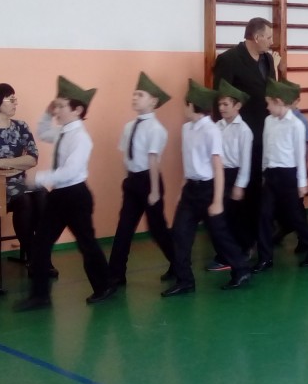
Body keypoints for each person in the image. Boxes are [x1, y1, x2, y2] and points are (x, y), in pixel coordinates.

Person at [14, 77, 115, 311]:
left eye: (61, 106)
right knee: (41, 243)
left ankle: (104, 285)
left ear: (77, 110)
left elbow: (70, 171)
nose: (57, 110)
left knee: (86, 243)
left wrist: (38, 179)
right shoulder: (62, 132)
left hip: (76, 196)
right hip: (59, 196)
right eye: (56, 106)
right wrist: (47, 112)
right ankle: (40, 295)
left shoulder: (81, 138)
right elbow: (43, 132)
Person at [163, 80, 251, 296]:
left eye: (185, 104)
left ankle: (241, 269)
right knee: (180, 234)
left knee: (219, 234)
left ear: (193, 105)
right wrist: (182, 189)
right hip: (190, 190)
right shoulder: (186, 129)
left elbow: (217, 167)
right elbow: (189, 163)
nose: (183, 109)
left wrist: (217, 201)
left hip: (208, 190)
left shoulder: (211, 130)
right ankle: (185, 280)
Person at [212, 17, 277, 259]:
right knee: (239, 192)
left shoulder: (267, 60)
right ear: (256, 38)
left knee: (257, 190)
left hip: (263, 137)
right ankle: (241, 242)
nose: (271, 42)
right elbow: (219, 99)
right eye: (268, 37)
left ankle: (258, 238)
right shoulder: (229, 60)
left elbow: (271, 92)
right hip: (238, 138)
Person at [0, 84, 48, 275]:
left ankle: (42, 255)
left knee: (43, 195)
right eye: (10, 99)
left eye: (15, 99)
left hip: (19, 183)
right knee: (25, 200)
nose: (15, 103)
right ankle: (33, 257)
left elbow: (33, 158)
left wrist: (3, 163)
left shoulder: (21, 126)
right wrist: (17, 164)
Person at [109, 72, 176, 287]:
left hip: (149, 181)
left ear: (153, 101)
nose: (135, 98)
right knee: (124, 228)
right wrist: (128, 179)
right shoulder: (129, 126)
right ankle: (116, 273)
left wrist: (154, 191)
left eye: (140, 95)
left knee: (158, 229)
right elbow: (126, 156)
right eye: (134, 94)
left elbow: (153, 160)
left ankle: (179, 264)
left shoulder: (156, 129)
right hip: (133, 181)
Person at [254, 79, 308, 272]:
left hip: (288, 175)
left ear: (278, 101)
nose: (267, 107)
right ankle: (265, 258)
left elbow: (299, 155)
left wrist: (302, 183)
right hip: (271, 174)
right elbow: (267, 148)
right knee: (264, 215)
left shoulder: (296, 125)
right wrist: (264, 171)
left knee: (295, 217)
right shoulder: (269, 121)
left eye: (269, 103)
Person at [213, 80, 253, 260]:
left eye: (225, 104)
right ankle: (227, 251)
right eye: (219, 104)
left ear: (237, 106)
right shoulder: (217, 127)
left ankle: (245, 247)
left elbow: (245, 161)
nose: (221, 108)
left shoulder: (244, 130)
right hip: (220, 174)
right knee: (223, 216)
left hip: (235, 174)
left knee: (235, 216)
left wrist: (239, 185)